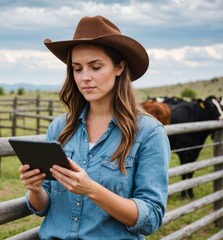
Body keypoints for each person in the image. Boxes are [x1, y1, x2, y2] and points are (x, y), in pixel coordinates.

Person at [19, 15, 171, 239]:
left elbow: (151, 219)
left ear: (119, 67)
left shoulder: (148, 133)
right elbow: (42, 207)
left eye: (95, 67)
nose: (85, 77)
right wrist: (35, 188)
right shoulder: (60, 127)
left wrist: (91, 189)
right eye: (77, 68)